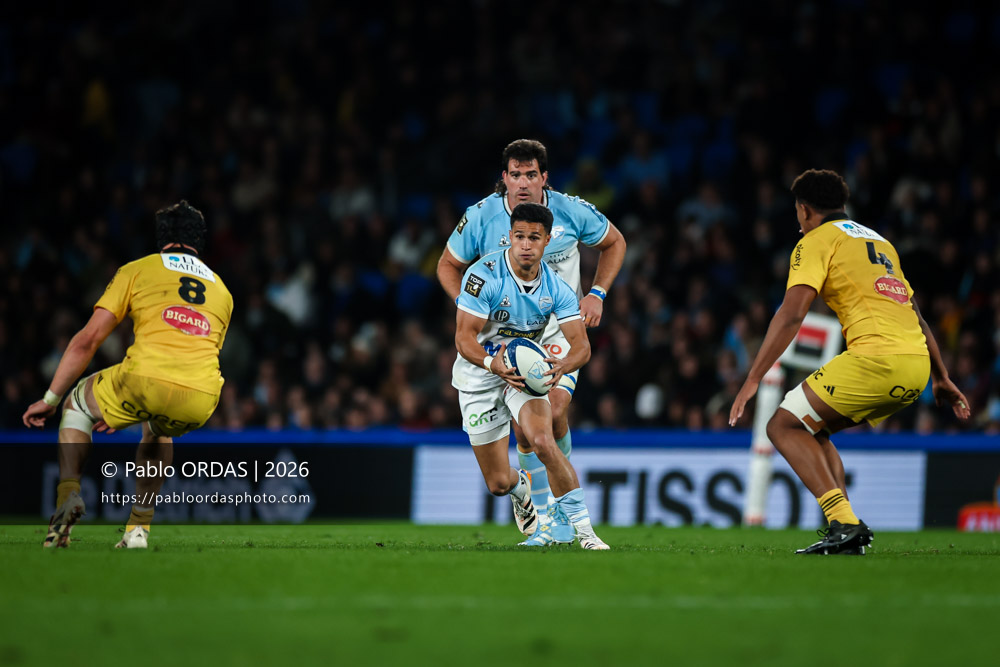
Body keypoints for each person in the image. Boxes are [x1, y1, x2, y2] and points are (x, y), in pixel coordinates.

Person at [729, 169, 971, 555]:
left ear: (805, 210)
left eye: (797, 212)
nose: (797, 220)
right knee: (811, 426)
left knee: (781, 425)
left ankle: (843, 522)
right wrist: (941, 377)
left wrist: (753, 377)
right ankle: (846, 532)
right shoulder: (881, 242)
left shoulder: (815, 241)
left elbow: (792, 314)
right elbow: (918, 316)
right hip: (917, 366)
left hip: (876, 360)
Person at [438, 139, 626, 539]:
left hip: (554, 328)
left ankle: (555, 520)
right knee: (501, 477)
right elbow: (448, 265)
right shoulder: (480, 217)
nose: (522, 183)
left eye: (530, 175)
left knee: (552, 411)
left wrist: (597, 293)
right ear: (503, 178)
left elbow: (615, 242)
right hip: (495, 342)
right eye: (515, 175)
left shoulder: (571, 210)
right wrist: (469, 305)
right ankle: (527, 494)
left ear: (545, 178)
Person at [23, 201, 233, 549]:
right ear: (200, 241)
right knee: (157, 427)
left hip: (143, 380)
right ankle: (138, 531)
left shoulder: (138, 269)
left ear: (160, 238)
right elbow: (200, 351)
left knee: (77, 402)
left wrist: (50, 399)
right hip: (202, 396)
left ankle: (68, 496)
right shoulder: (222, 291)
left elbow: (87, 341)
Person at [452, 202, 609, 549]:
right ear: (509, 237)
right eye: (519, 236)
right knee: (496, 483)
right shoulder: (484, 276)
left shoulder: (557, 289)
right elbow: (463, 338)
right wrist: (494, 364)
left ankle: (585, 533)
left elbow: (581, 347)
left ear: (547, 241)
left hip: (522, 374)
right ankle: (520, 486)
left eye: (534, 238)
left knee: (542, 440)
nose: (525, 244)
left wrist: (561, 367)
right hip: (482, 373)